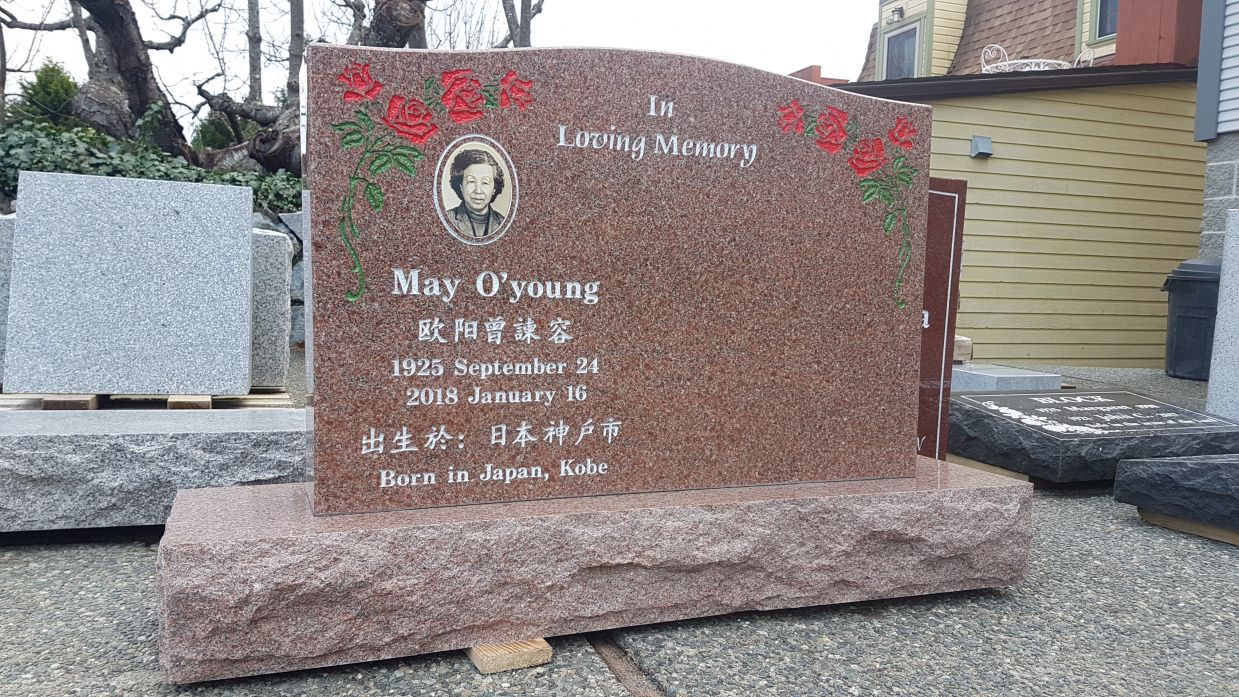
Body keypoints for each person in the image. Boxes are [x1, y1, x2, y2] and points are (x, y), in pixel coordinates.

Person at [445, 148, 506, 239]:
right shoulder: (448, 219)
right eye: (471, 181)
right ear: (460, 185)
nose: (478, 191)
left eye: (485, 182)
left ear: (494, 188)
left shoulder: (503, 222)